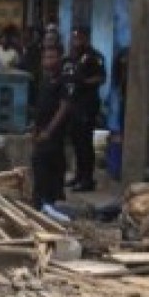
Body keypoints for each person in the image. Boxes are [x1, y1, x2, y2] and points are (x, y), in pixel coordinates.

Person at [32, 44, 75, 220]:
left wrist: (49, 131)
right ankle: (40, 202)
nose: (48, 61)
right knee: (38, 165)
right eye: (45, 58)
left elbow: (64, 108)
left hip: (54, 133)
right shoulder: (44, 81)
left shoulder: (64, 81)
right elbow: (40, 107)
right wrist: (35, 129)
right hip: (41, 131)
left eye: (52, 57)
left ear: (59, 59)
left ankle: (51, 202)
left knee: (51, 165)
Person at [64, 26, 107, 192]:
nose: (77, 41)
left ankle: (87, 179)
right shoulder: (74, 58)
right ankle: (79, 175)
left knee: (84, 143)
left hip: (87, 104)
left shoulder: (94, 57)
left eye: (80, 38)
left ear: (87, 38)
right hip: (74, 103)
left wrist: (85, 82)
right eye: (74, 38)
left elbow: (101, 78)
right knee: (75, 141)